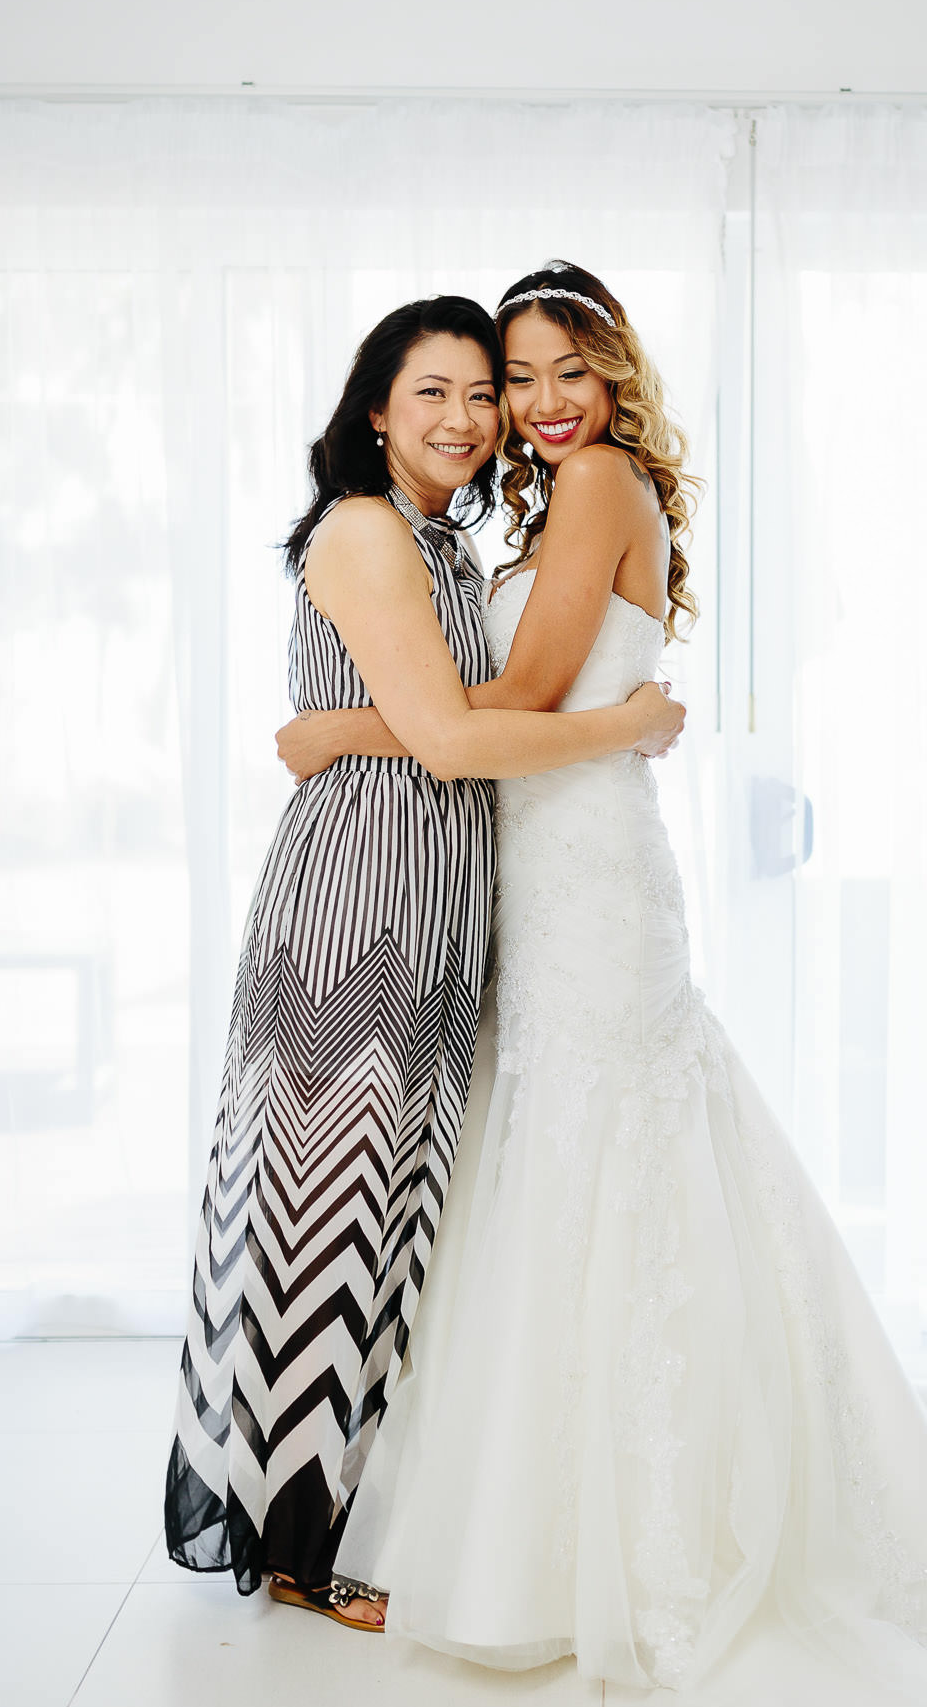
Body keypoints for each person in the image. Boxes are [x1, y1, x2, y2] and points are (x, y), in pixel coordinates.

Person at [276, 264, 927, 1707]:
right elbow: (515, 704)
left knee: (602, 1144)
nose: (539, 399)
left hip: (580, 867)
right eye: (514, 374)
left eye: (566, 366)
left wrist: (337, 730)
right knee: (561, 1147)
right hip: (548, 853)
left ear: (617, 373)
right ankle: (544, 1506)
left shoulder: (599, 487)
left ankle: (624, 1533)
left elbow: (502, 697)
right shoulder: (544, 502)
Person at [163, 293, 684, 1630]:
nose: (466, 417)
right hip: (357, 899)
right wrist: (620, 722)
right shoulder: (363, 529)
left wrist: (338, 726)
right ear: (375, 412)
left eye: (480, 393)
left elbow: (449, 715)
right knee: (317, 1214)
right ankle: (289, 1545)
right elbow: (453, 735)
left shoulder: (445, 539)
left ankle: (340, 1510)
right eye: (436, 393)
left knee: (388, 1214)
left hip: (440, 889)